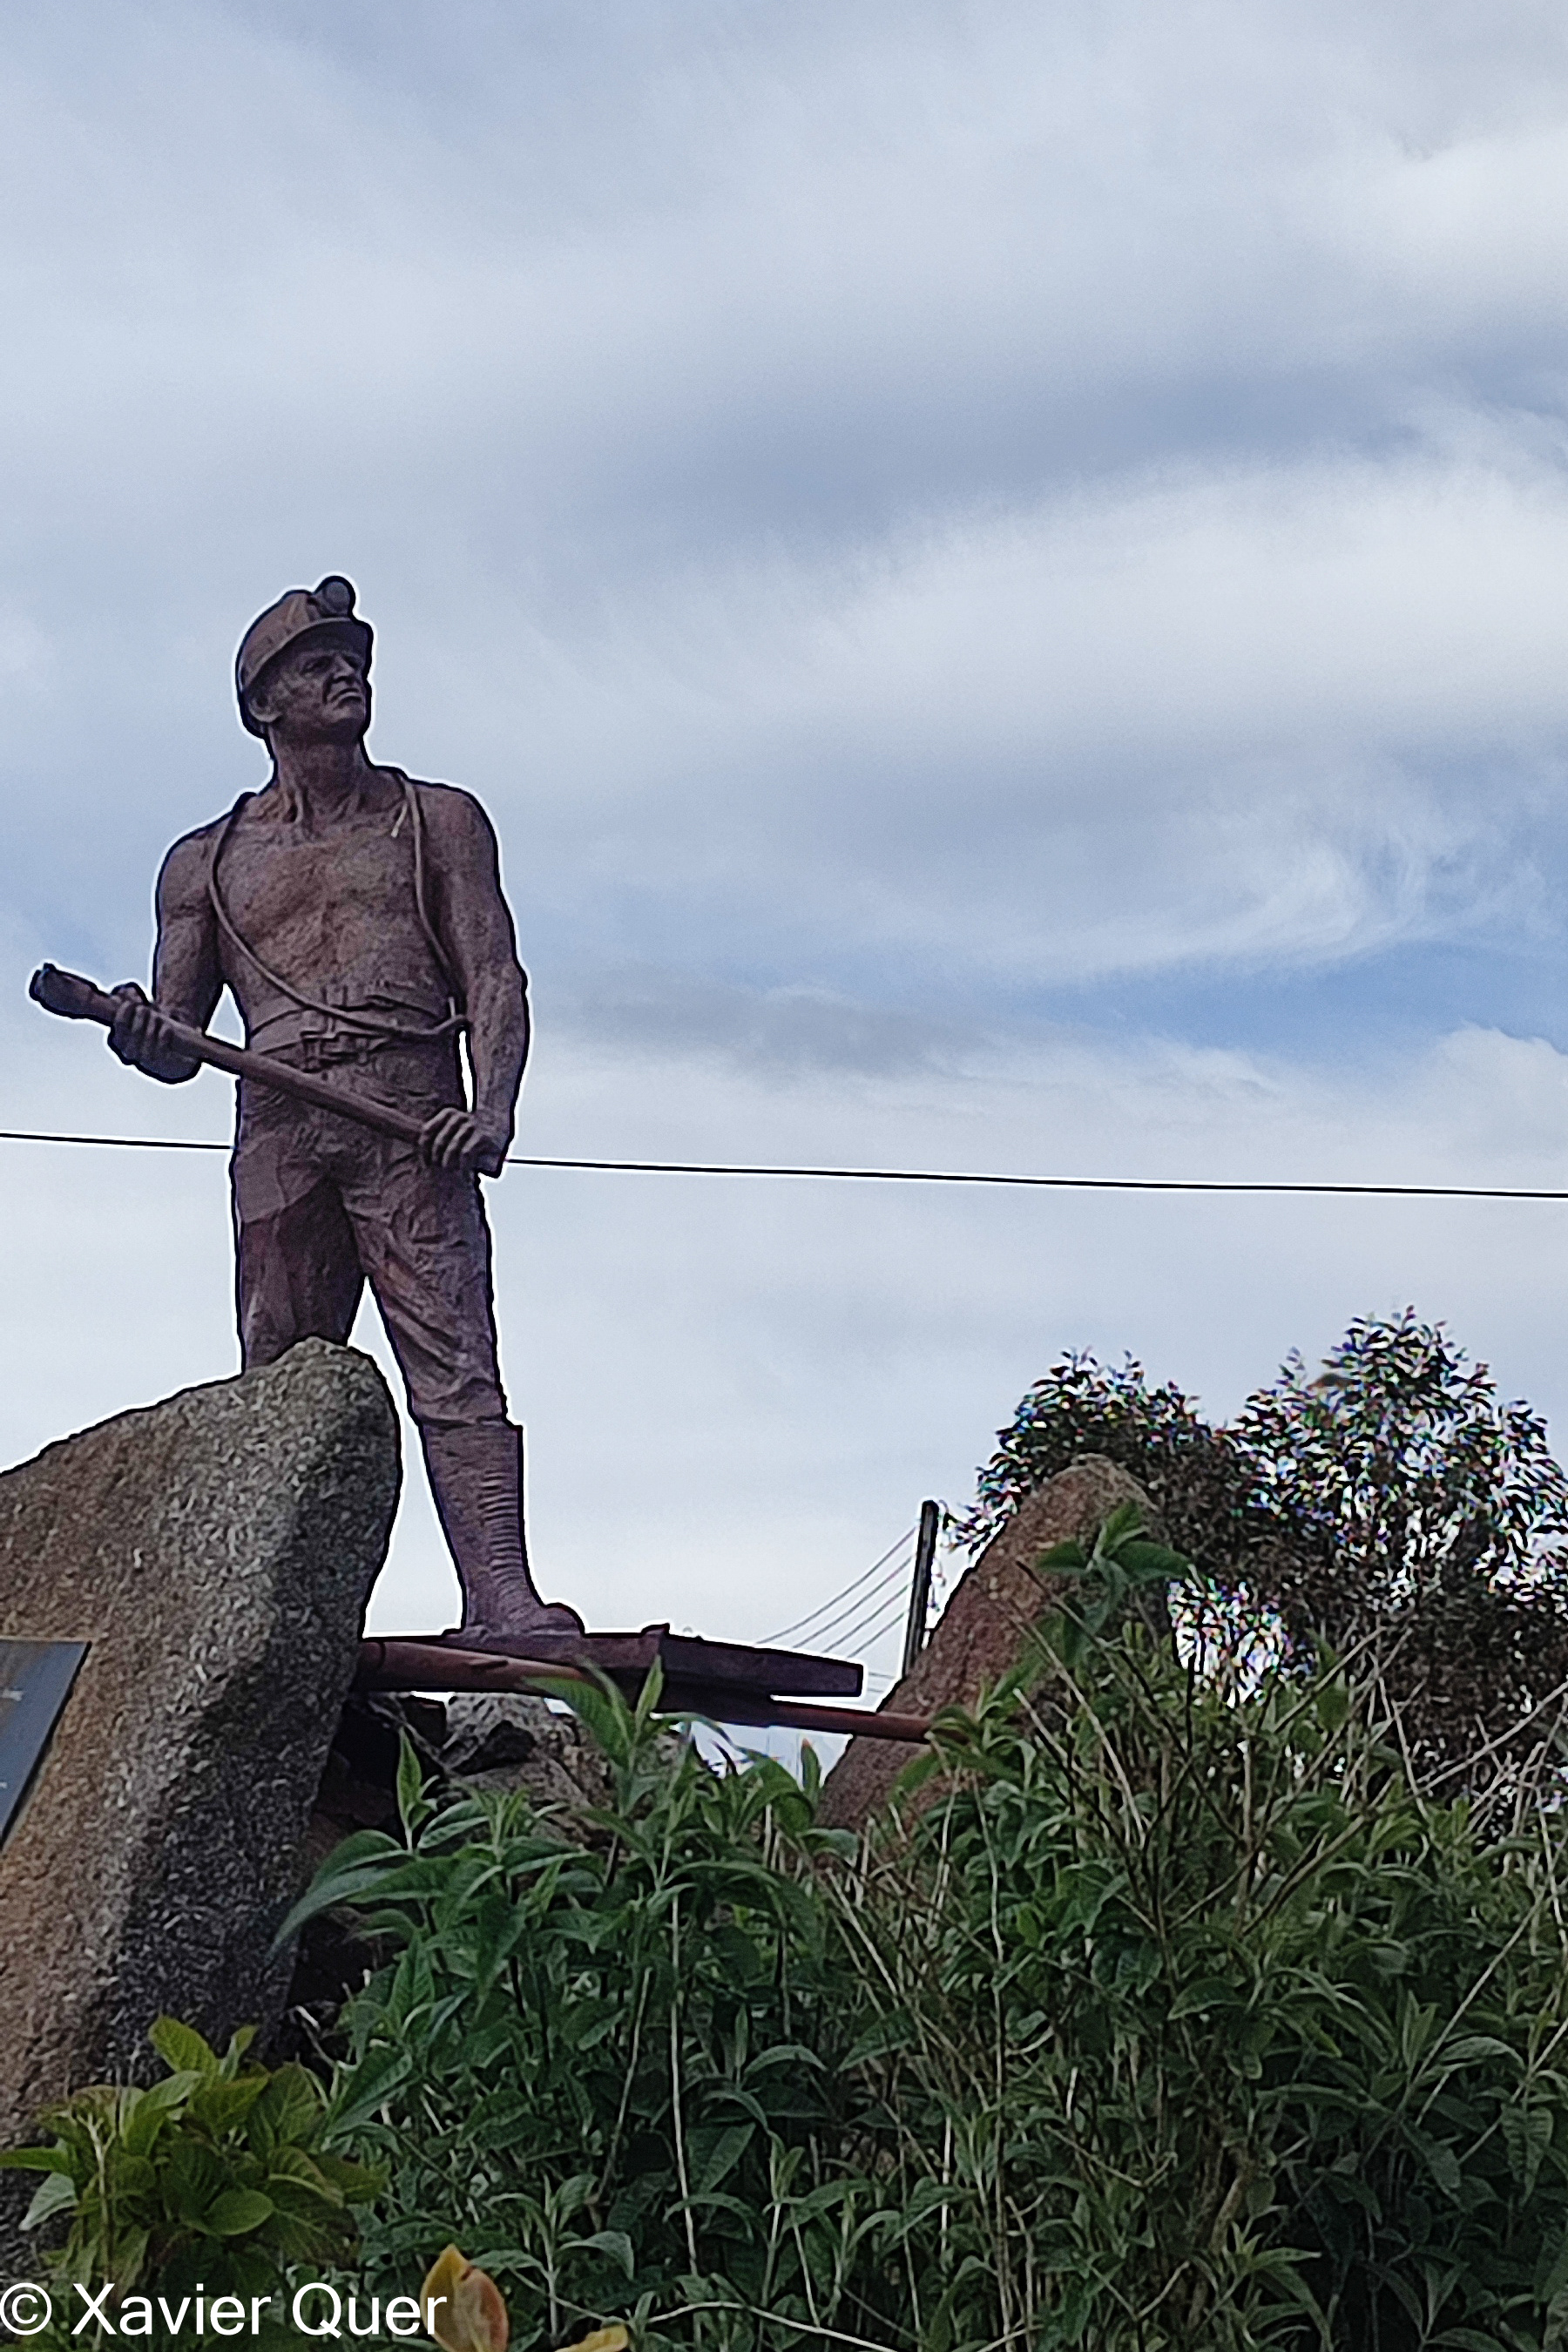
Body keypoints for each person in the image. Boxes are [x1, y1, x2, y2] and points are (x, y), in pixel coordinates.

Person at [107, 574, 582, 1646]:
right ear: (265, 704)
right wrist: (141, 1030)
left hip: (411, 1121)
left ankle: (499, 1595)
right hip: (278, 1125)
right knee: (278, 1371)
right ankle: (260, 1614)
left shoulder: (437, 820)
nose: (345, 671)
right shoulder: (206, 862)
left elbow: (496, 977)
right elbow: (179, 1040)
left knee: (457, 1363)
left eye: (351, 654)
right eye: (315, 661)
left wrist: (494, 1111)